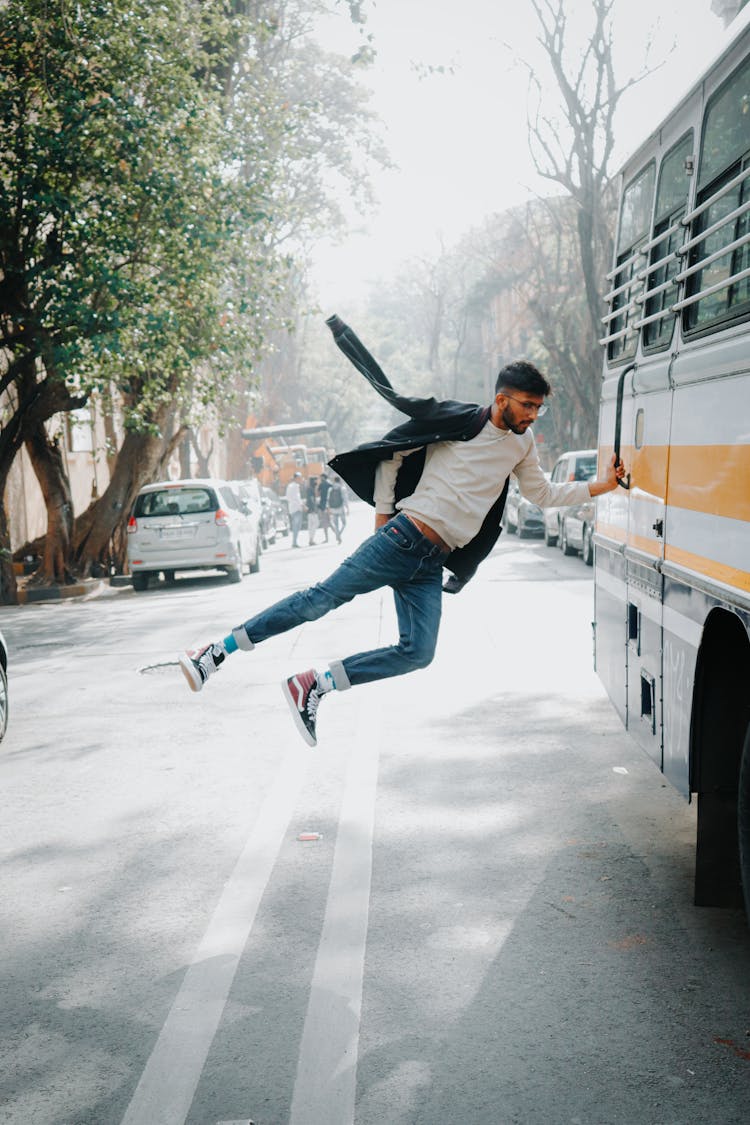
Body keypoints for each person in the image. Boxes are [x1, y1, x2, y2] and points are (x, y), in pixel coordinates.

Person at [179, 315, 626, 748]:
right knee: (319, 600)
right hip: (404, 536)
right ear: (503, 399)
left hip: (432, 561)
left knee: (418, 652)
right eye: (528, 406)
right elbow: (392, 454)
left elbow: (542, 494)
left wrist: (602, 484)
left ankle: (314, 684)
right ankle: (215, 652)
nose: (533, 416)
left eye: (538, 408)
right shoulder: (460, 422)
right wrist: (382, 518)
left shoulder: (522, 444)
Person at [285, 472, 303, 549]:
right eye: (299, 478)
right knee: (297, 526)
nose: (301, 479)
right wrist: (302, 505)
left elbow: (288, 497)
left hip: (292, 508)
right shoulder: (295, 486)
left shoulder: (289, 486)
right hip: (297, 508)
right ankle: (294, 542)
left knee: (296, 526)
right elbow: (297, 498)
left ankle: (294, 542)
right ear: (296, 478)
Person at [327, 474, 347, 544]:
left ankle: (337, 535)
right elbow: (345, 499)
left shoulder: (330, 489)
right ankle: (339, 535)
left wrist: (328, 508)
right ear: (339, 481)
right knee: (344, 523)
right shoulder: (342, 488)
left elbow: (328, 499)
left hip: (333, 509)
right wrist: (347, 508)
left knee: (336, 524)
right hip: (340, 508)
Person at [305, 475, 320, 545]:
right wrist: (313, 509)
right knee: (315, 524)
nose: (316, 482)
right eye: (315, 480)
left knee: (311, 525)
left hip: (310, 510)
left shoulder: (310, 489)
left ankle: (311, 539)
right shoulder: (311, 489)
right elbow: (311, 500)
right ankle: (311, 539)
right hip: (312, 510)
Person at [317, 473, 331, 543]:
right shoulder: (329, 484)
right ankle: (338, 536)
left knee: (325, 522)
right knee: (330, 522)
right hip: (329, 505)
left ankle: (327, 538)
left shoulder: (321, 484)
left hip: (323, 505)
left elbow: (317, 493)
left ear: (323, 478)